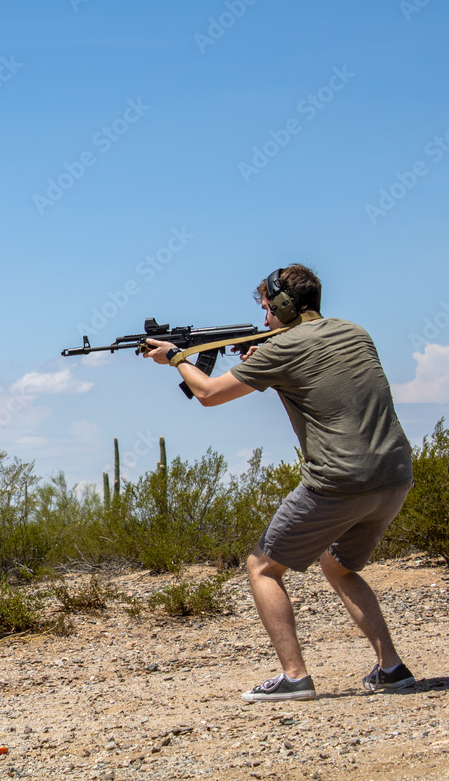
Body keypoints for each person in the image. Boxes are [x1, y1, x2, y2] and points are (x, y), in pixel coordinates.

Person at [143, 264, 415, 702]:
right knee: (338, 564)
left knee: (262, 567)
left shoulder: (281, 348)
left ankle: (295, 678)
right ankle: (391, 668)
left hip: (338, 480)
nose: (266, 319)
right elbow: (323, 378)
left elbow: (209, 394)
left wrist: (175, 359)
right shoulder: (355, 332)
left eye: (269, 309)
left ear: (285, 305)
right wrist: (264, 365)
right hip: (395, 475)